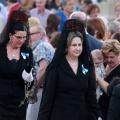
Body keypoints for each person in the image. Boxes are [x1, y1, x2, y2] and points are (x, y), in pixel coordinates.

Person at [38, 19, 102, 120]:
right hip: (60, 115)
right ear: (67, 47)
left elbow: (91, 94)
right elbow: (47, 98)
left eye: (79, 45)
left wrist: (98, 115)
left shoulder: (86, 65)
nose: (78, 48)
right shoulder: (56, 67)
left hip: (82, 116)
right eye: (74, 45)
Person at [0, 10, 33, 120]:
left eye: (24, 37)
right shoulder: (1, 49)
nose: (22, 40)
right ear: (10, 35)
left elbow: (29, 84)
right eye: (18, 37)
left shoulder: (27, 51)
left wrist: (29, 79)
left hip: (19, 103)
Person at [26, 25, 55, 120]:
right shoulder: (46, 45)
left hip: (40, 88)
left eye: (30, 34)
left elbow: (43, 69)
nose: (28, 37)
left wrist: (34, 88)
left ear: (40, 35)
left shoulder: (41, 46)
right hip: (44, 88)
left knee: (31, 117)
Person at [96, 39, 120, 120]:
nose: (109, 60)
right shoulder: (103, 64)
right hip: (99, 108)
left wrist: (97, 77)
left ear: (118, 55)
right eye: (106, 57)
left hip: (111, 111)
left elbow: (110, 90)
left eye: (112, 57)